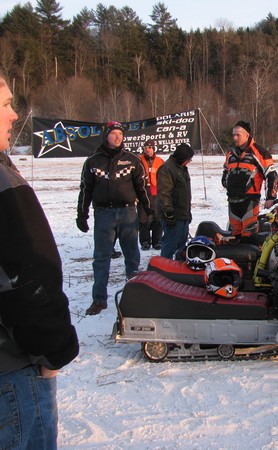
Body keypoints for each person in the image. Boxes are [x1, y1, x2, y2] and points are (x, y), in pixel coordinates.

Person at [0, 70, 79, 448]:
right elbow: (33, 275)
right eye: (5, 104)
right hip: (13, 370)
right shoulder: (5, 185)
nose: (14, 115)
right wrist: (54, 351)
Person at [76, 121, 152, 315]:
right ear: (106, 136)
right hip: (103, 215)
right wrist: (82, 215)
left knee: (132, 257)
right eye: (113, 134)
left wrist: (147, 209)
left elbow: (141, 188)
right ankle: (99, 299)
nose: (117, 137)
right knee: (101, 258)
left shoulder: (132, 160)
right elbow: (86, 190)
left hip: (128, 213)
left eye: (120, 134)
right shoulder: (93, 161)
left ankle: (134, 296)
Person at [221, 120, 278, 241]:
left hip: (250, 202)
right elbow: (226, 170)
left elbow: (271, 175)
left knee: (249, 236)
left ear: (247, 135)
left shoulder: (260, 152)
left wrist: (270, 197)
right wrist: (226, 182)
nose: (235, 138)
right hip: (232, 201)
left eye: (238, 135)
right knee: (234, 237)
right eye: (233, 135)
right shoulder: (230, 153)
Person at [157, 142, 194, 259]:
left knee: (181, 247)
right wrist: (169, 213)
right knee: (170, 245)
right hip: (173, 216)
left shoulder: (181, 168)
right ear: (182, 157)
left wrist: (187, 213)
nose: (189, 161)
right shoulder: (167, 169)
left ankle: (179, 271)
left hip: (182, 214)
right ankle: (164, 270)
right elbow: (164, 193)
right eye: (188, 159)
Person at [138, 139, 164, 250]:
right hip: (142, 193)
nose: (147, 150)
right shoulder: (138, 160)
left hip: (156, 193)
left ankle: (157, 241)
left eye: (150, 147)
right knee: (143, 219)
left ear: (154, 148)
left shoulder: (160, 161)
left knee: (157, 218)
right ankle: (145, 241)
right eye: (145, 148)